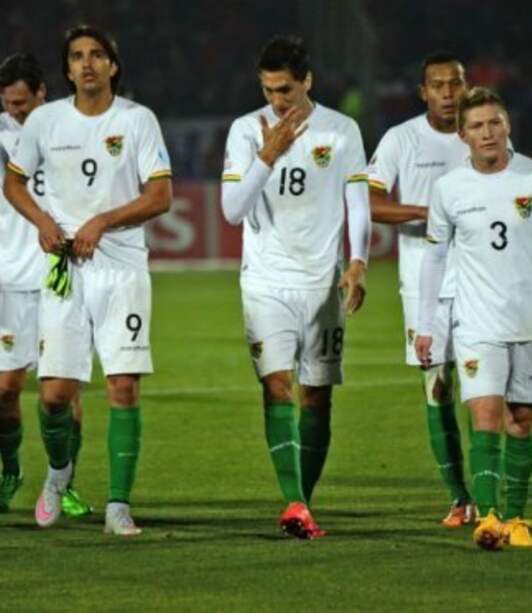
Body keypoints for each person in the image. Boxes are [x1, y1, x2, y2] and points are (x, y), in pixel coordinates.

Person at [414, 87, 532, 550]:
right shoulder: (449, 189)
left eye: (494, 122)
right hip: (477, 323)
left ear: (508, 125)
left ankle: (517, 517)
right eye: (477, 126)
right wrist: (424, 324)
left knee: (521, 421)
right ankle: (489, 516)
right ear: (463, 135)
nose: (487, 133)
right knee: (486, 415)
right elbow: (434, 259)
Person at [3, 25, 172, 535]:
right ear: (67, 68)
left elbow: (160, 196)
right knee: (54, 394)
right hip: (64, 271)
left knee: (123, 387)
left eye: (97, 55)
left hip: (121, 270)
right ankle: (59, 474)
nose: (88, 64)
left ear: (113, 66)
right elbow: (13, 182)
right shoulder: (45, 121)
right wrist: (43, 222)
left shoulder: (137, 120)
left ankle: (119, 504)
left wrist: (102, 222)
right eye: (77, 56)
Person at [221, 35, 371, 539]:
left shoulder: (342, 129)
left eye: (285, 89)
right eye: (268, 90)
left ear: (307, 81)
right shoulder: (246, 131)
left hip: (322, 282)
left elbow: (359, 203)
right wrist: (267, 154)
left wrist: (359, 261)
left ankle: (300, 502)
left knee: (317, 397)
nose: (276, 101)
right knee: (277, 385)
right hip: (265, 280)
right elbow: (232, 210)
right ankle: (295, 503)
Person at [367, 51, 476, 526]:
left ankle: (495, 493)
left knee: (490, 388)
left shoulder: (484, 135)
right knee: (439, 389)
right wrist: (425, 213)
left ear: (467, 87)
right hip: (424, 288)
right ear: (423, 92)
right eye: (438, 85)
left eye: (455, 84)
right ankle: (460, 496)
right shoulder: (401, 139)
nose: (448, 94)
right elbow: (367, 202)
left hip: (481, 283)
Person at [0, 52, 91, 518]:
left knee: (64, 393)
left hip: (63, 278)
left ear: (44, 93)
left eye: (24, 104)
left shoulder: (71, 128)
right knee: (5, 389)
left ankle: (63, 481)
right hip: (11, 283)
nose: (17, 114)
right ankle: (10, 473)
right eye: (10, 105)